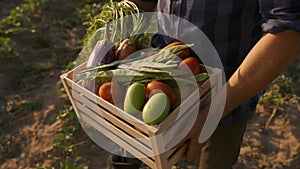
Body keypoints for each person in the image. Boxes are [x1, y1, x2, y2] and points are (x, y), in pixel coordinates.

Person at [128, 0, 300, 168]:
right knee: (131, 150)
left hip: (226, 96)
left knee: (212, 160)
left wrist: (214, 111)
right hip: (155, 79)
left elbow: (289, 30)